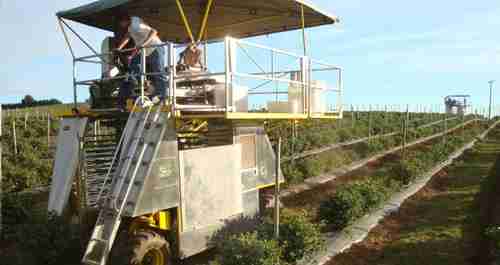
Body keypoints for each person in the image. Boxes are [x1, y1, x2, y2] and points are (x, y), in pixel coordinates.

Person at [115, 15, 167, 106]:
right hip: (143, 50)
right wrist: (119, 48)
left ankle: (163, 95)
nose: (120, 26)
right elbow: (128, 36)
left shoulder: (136, 25)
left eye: (121, 23)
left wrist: (144, 44)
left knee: (158, 72)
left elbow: (154, 31)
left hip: (155, 47)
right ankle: (143, 84)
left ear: (125, 21)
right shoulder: (130, 26)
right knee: (133, 67)